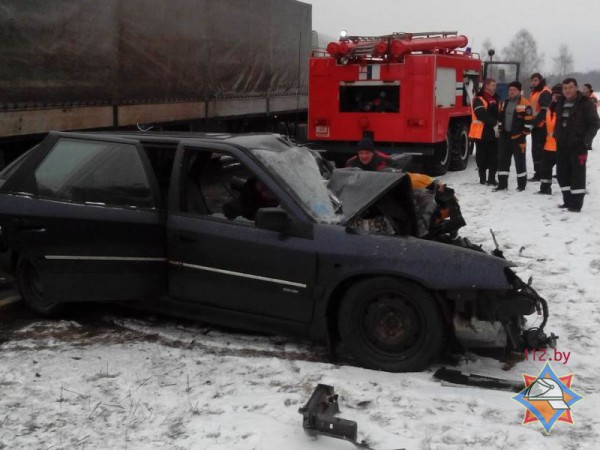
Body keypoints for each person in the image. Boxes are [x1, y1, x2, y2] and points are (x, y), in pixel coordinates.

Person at [554, 78, 600, 212]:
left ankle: (576, 204)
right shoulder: (561, 102)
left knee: (577, 175)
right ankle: (567, 200)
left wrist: (585, 141)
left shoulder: (585, 103)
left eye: (570, 87)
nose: (567, 90)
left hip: (578, 146)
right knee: (562, 174)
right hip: (562, 145)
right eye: (565, 88)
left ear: (576, 88)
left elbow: (595, 123)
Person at [495, 81, 533, 191]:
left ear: (519, 91)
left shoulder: (526, 104)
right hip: (505, 138)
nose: (511, 92)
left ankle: (521, 185)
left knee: (520, 162)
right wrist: (500, 130)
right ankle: (502, 184)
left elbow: (528, 122)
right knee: (503, 161)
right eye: (510, 90)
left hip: (518, 138)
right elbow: (500, 118)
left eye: (514, 90)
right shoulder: (504, 102)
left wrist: (523, 134)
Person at [468, 78, 500, 185]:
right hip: (481, 133)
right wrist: (494, 123)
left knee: (494, 157)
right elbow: (481, 114)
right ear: (486, 86)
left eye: (495, 85)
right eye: (493, 85)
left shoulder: (496, 99)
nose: (495, 87)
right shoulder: (478, 99)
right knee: (482, 158)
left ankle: (491, 179)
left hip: (493, 133)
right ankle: (482, 179)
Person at [538, 84, 563, 195]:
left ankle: (569, 191)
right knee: (545, 169)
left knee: (564, 171)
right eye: (554, 94)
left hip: (561, 145)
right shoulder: (549, 108)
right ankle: (545, 189)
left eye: (558, 94)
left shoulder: (564, 109)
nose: (556, 96)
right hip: (548, 145)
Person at [528, 73, 552, 181]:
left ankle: (540, 174)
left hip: (541, 126)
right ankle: (538, 172)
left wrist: (533, 123)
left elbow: (543, 111)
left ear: (540, 80)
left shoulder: (544, 93)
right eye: (532, 80)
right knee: (536, 150)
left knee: (539, 150)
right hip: (537, 125)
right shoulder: (536, 92)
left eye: (535, 80)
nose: (533, 82)